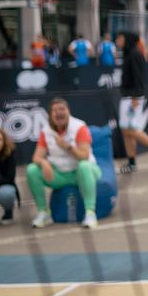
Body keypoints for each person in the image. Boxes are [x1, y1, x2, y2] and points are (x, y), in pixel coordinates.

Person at [26, 98, 101, 229]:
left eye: (62, 109)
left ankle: (90, 213)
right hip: (60, 174)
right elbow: (36, 157)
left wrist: (67, 146)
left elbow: (84, 156)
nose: (59, 113)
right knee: (32, 169)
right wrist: (44, 163)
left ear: (68, 112)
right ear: (50, 114)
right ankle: (44, 213)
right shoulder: (46, 131)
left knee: (84, 165)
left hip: (82, 172)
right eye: (55, 110)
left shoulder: (79, 127)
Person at [117, 32, 148, 173]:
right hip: (127, 96)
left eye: (120, 38)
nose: (118, 41)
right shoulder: (129, 53)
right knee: (126, 131)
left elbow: (138, 77)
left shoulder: (135, 54)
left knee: (131, 130)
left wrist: (135, 97)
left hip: (133, 97)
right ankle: (132, 163)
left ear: (126, 38)